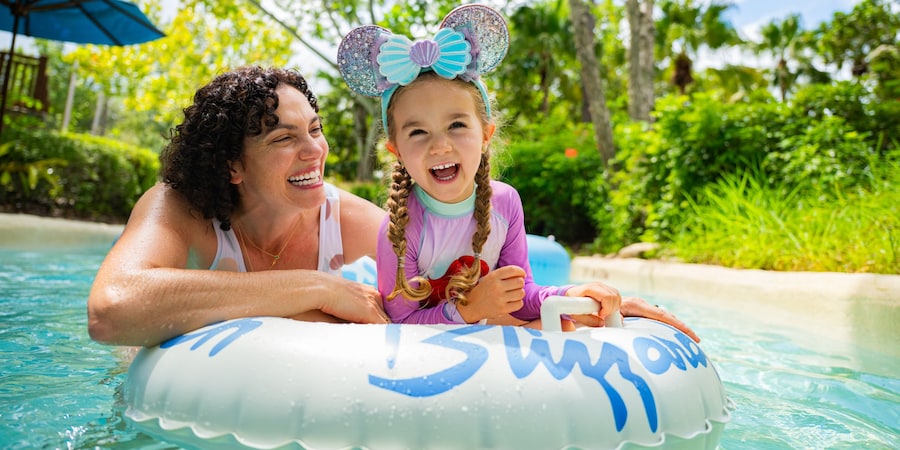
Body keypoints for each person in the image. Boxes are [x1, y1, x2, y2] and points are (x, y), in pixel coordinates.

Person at [338, 5, 699, 341]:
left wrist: (571, 294)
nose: (440, 146)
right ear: (396, 150)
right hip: (437, 352)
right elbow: (399, 325)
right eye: (418, 132)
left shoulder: (505, 202)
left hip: (491, 337)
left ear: (485, 135)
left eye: (457, 125)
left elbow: (521, 294)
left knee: (566, 324)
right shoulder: (400, 228)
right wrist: (469, 308)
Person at [87, 66, 389, 348]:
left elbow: (433, 268)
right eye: (284, 138)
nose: (315, 150)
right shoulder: (180, 208)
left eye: (314, 129)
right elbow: (110, 311)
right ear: (232, 166)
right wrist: (320, 289)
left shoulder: (340, 219)